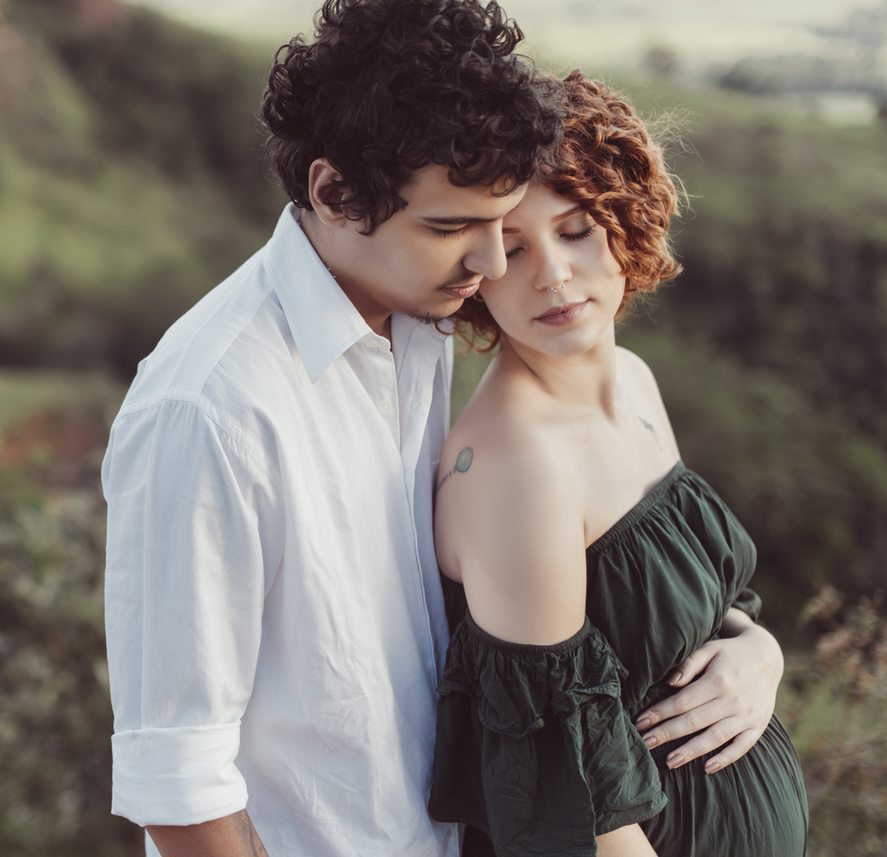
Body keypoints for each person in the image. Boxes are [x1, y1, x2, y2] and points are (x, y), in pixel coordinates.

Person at [102, 2, 787, 855]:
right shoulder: (209, 409)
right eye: (453, 227)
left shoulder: (417, 320)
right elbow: (179, 780)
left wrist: (756, 651)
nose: (494, 263)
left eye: (500, 222)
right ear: (334, 193)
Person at [427, 70, 809, 857]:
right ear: (475, 271)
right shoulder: (516, 467)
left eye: (574, 230)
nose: (552, 274)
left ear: (625, 221)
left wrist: (759, 652)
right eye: (513, 248)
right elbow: (569, 804)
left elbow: (696, 606)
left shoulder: (634, 380)